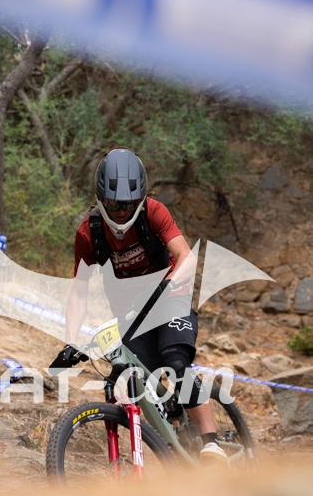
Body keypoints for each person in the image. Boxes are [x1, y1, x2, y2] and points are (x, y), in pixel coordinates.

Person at [54, 147, 228, 466]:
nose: (121, 212)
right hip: (131, 315)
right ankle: (171, 431)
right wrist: (70, 341)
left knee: (175, 365)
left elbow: (187, 257)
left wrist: (167, 284)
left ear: (141, 198)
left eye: (129, 204)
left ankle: (212, 444)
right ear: (100, 198)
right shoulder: (89, 233)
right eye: (114, 204)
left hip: (170, 298)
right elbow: (78, 291)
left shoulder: (154, 212)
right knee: (127, 383)